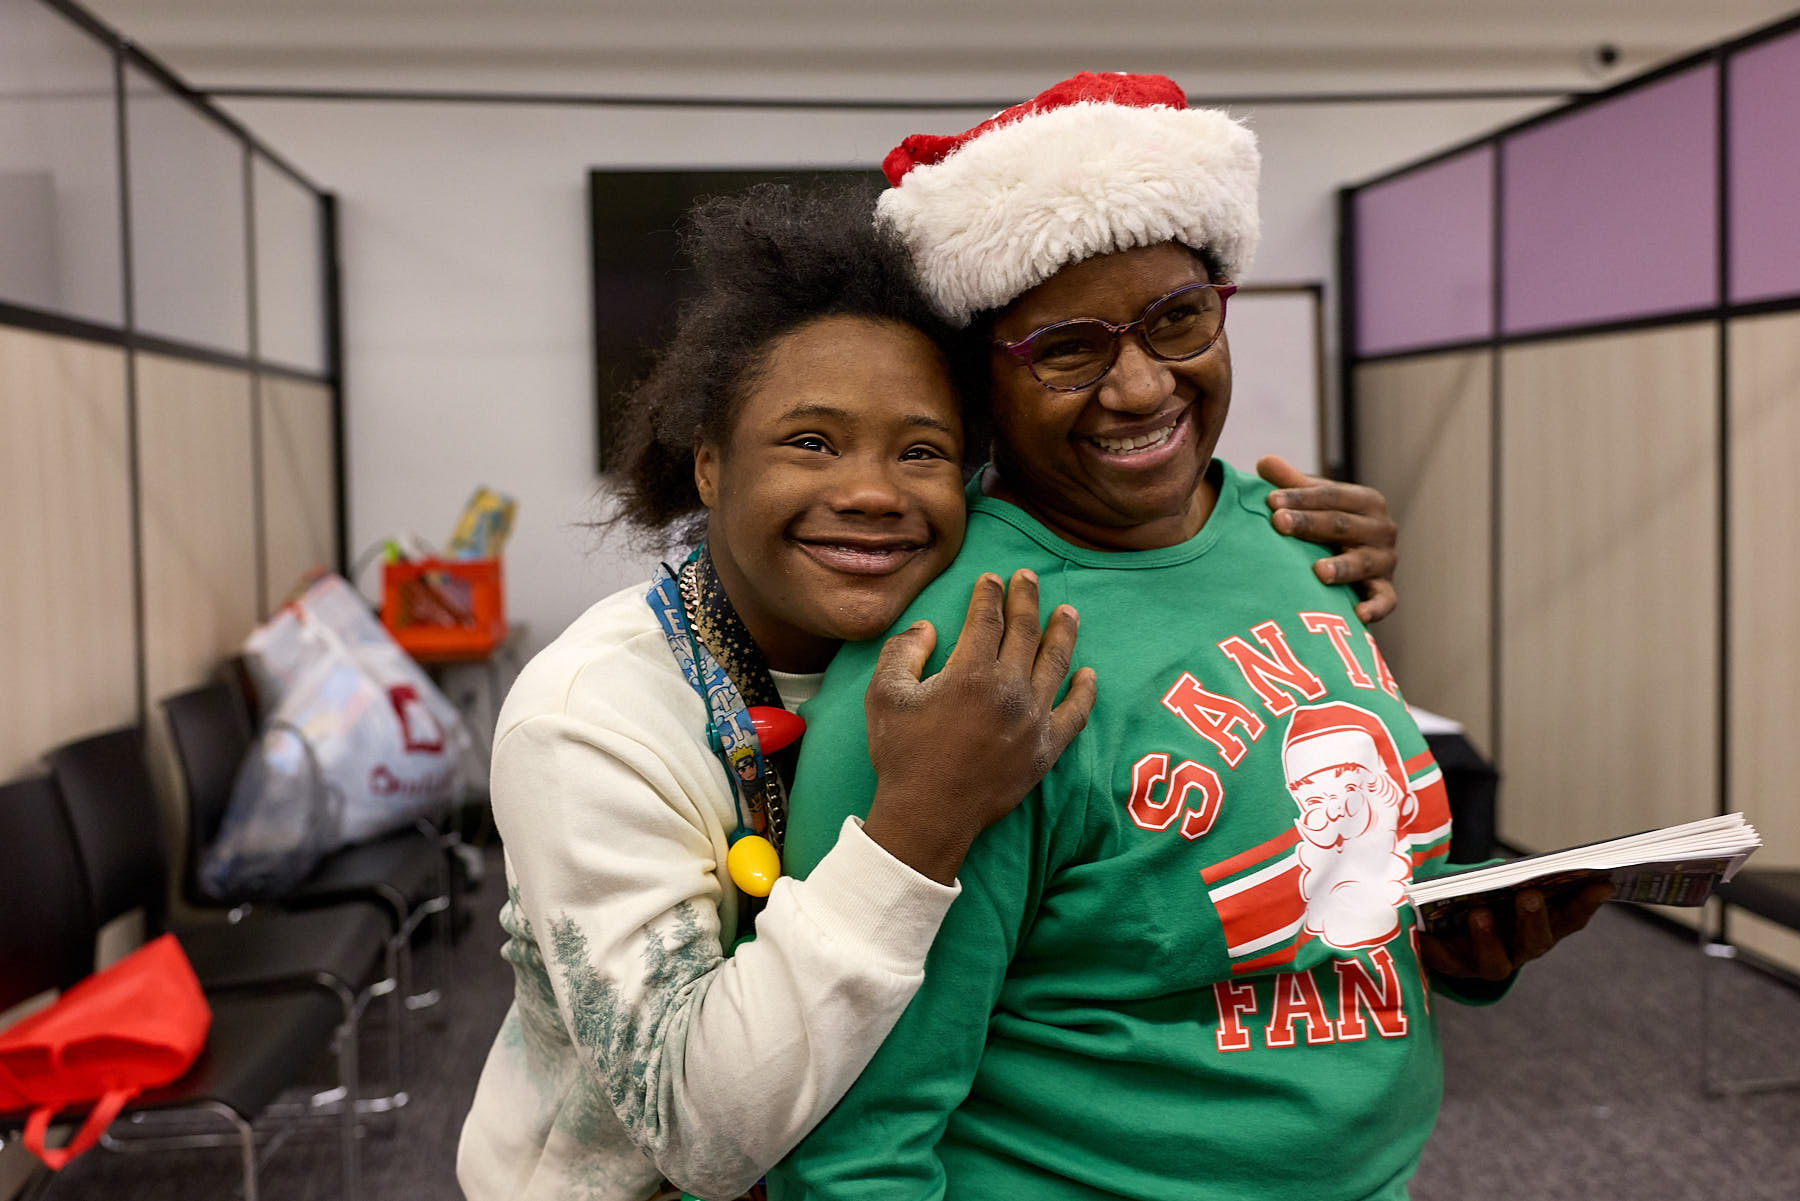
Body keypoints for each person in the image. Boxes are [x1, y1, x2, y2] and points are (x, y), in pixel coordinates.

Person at [457, 182, 1407, 1201]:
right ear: (706, 464)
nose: (873, 491)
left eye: (923, 451)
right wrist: (918, 820)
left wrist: (1261, 549)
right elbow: (694, 1131)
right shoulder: (591, 718)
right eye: (811, 442)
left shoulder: (953, 618)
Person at [767, 74, 1610, 1201]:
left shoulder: (1296, 543)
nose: (1140, 384)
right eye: (1068, 348)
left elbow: (1323, 883)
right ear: (980, 381)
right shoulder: (961, 665)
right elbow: (857, 1137)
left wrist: (1458, 936)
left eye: (1177, 318)